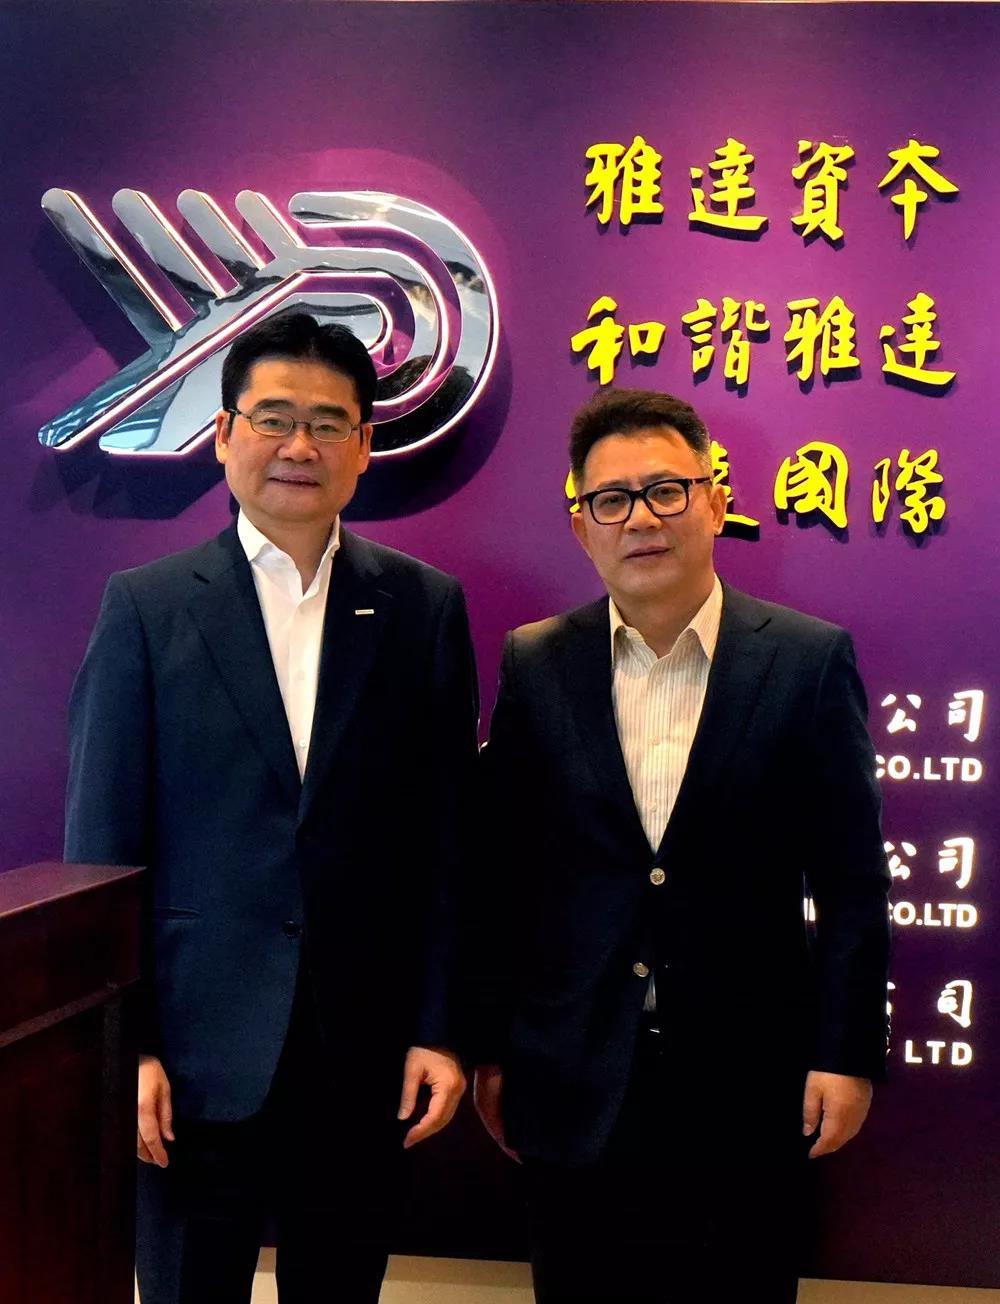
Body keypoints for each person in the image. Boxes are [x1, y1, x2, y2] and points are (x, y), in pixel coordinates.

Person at [64, 310, 479, 1304]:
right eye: (275, 418)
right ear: (223, 434)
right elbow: (102, 848)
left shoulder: (422, 608)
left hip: (362, 1050)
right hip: (193, 1056)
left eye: (329, 423)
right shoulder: (148, 606)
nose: (301, 446)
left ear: (364, 446)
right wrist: (130, 1046)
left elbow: (448, 843)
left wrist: (439, 1027)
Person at [469, 388, 890, 1303]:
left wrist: (846, 1053)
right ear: (582, 526)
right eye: (611, 500)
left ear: (714, 501)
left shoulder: (806, 660)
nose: (642, 519)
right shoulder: (536, 662)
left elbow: (854, 881)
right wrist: (492, 1049)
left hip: (749, 1081)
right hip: (575, 1077)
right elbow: (504, 878)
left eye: (666, 490)